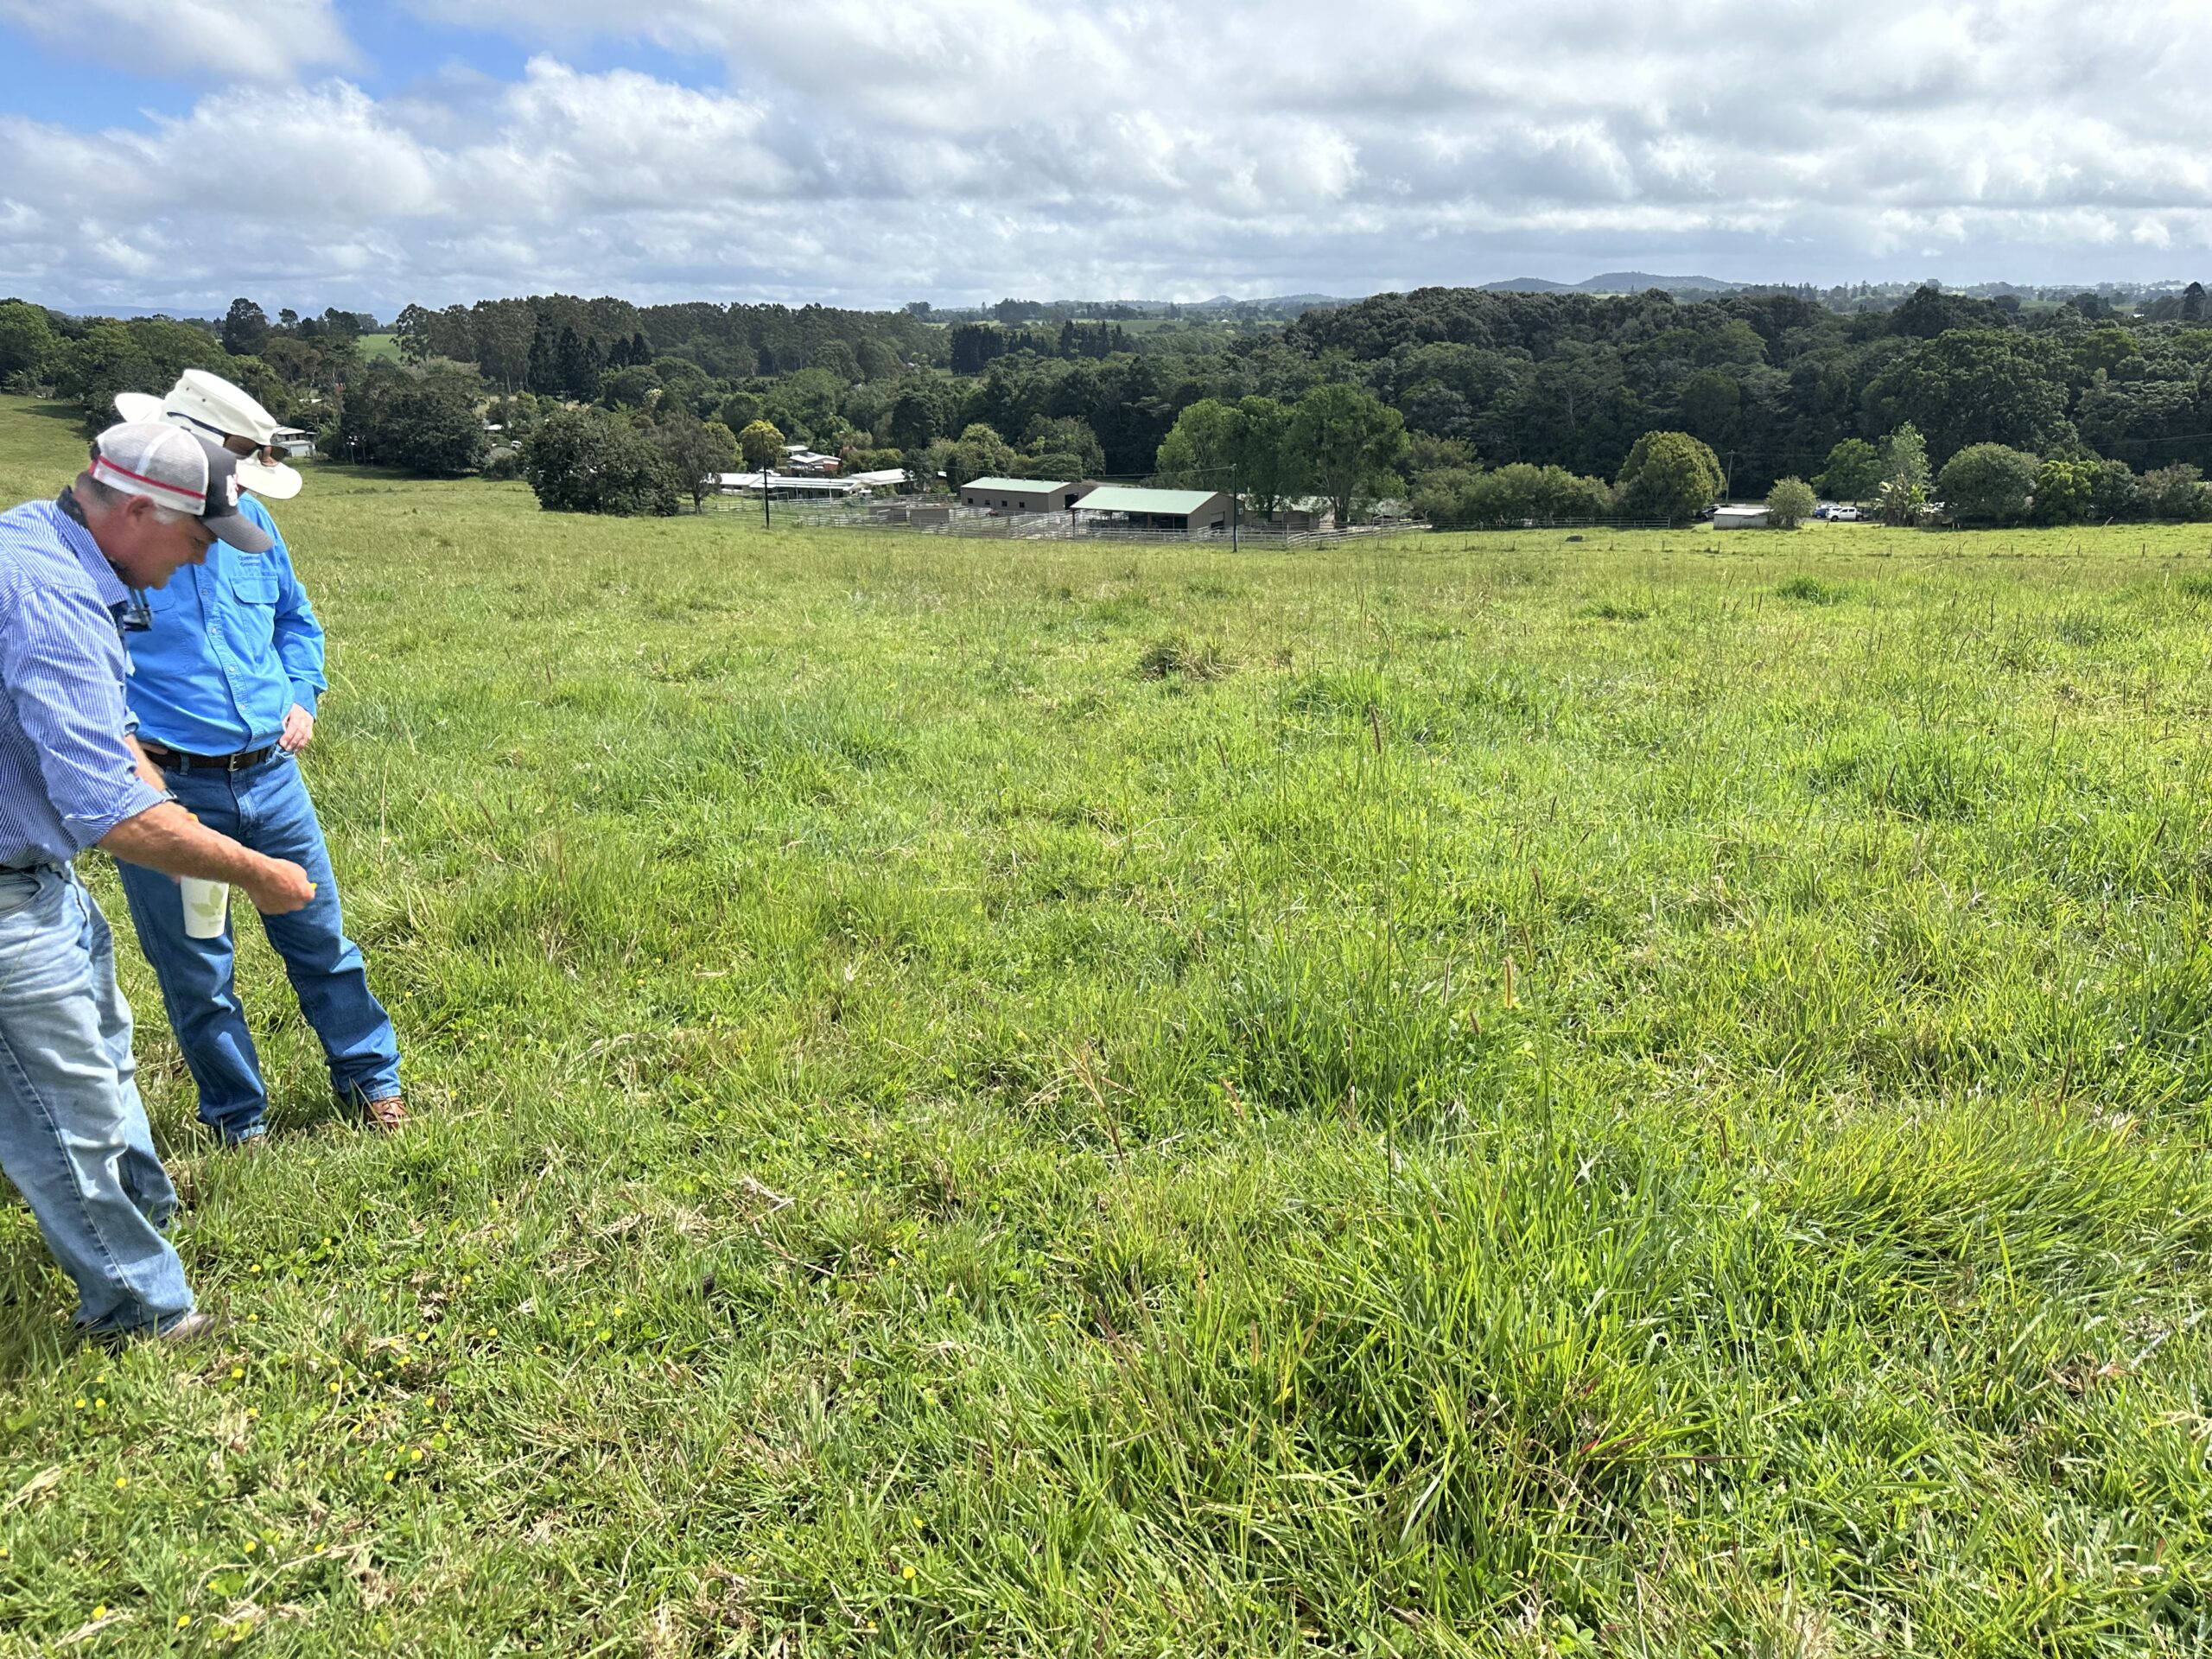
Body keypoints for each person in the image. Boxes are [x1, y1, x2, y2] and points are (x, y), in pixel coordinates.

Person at [0, 421, 315, 1341]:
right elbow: (116, 817)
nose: (200, 560)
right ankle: (141, 1313)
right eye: (196, 538)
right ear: (138, 510)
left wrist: (164, 796)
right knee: (68, 1114)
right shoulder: (50, 600)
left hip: (36, 871)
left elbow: (107, 740)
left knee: (106, 1050)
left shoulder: (45, 541)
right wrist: (258, 874)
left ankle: (148, 1221)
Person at [110, 372, 405, 1146]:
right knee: (199, 970)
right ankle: (239, 1121)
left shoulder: (257, 524)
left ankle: (371, 1082)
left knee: (321, 939)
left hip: (272, 780)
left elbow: (295, 621)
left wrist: (302, 693)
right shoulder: (117, 541)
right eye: (231, 472)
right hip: (170, 796)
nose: (237, 491)